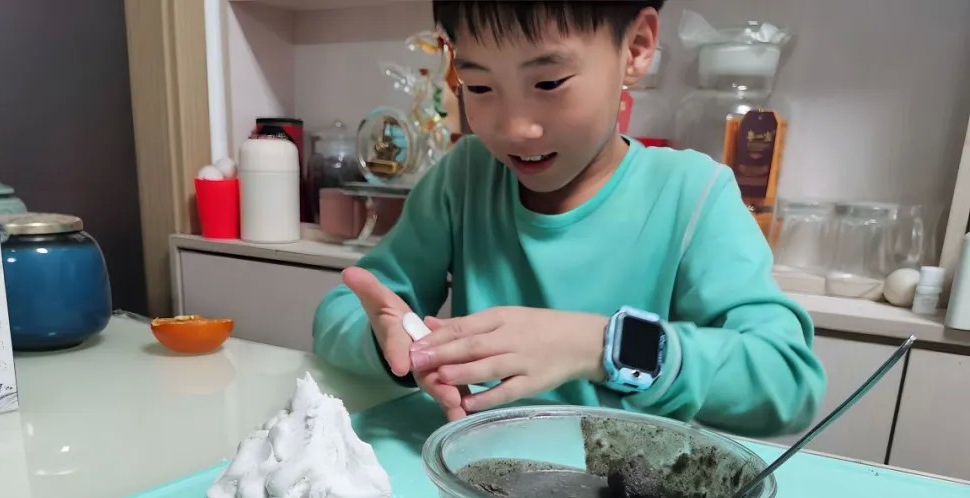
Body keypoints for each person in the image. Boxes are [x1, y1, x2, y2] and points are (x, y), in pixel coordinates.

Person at [312, 1, 826, 438]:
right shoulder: (465, 177)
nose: (515, 128)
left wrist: (602, 346)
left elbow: (786, 380)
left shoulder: (693, 195)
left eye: (549, 82)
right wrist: (397, 344)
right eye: (479, 86)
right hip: (477, 477)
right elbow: (349, 309)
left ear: (636, 48)